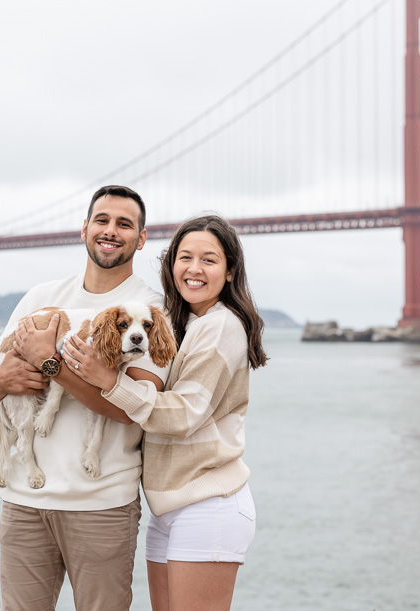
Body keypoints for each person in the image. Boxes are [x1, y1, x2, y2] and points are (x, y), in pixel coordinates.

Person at [0, 185, 170, 611]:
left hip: (101, 504)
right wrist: (3, 377)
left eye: (124, 224)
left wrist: (50, 364)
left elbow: (131, 410)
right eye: (102, 220)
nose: (111, 231)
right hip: (23, 502)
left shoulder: (150, 312)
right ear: (84, 229)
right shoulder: (41, 298)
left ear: (141, 237)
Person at [66, 214, 268, 611]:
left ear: (229, 271)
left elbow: (183, 415)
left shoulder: (222, 326)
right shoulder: (185, 324)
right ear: (170, 263)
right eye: (185, 257)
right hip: (168, 506)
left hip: (207, 503)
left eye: (209, 260)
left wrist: (109, 381)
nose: (194, 269)